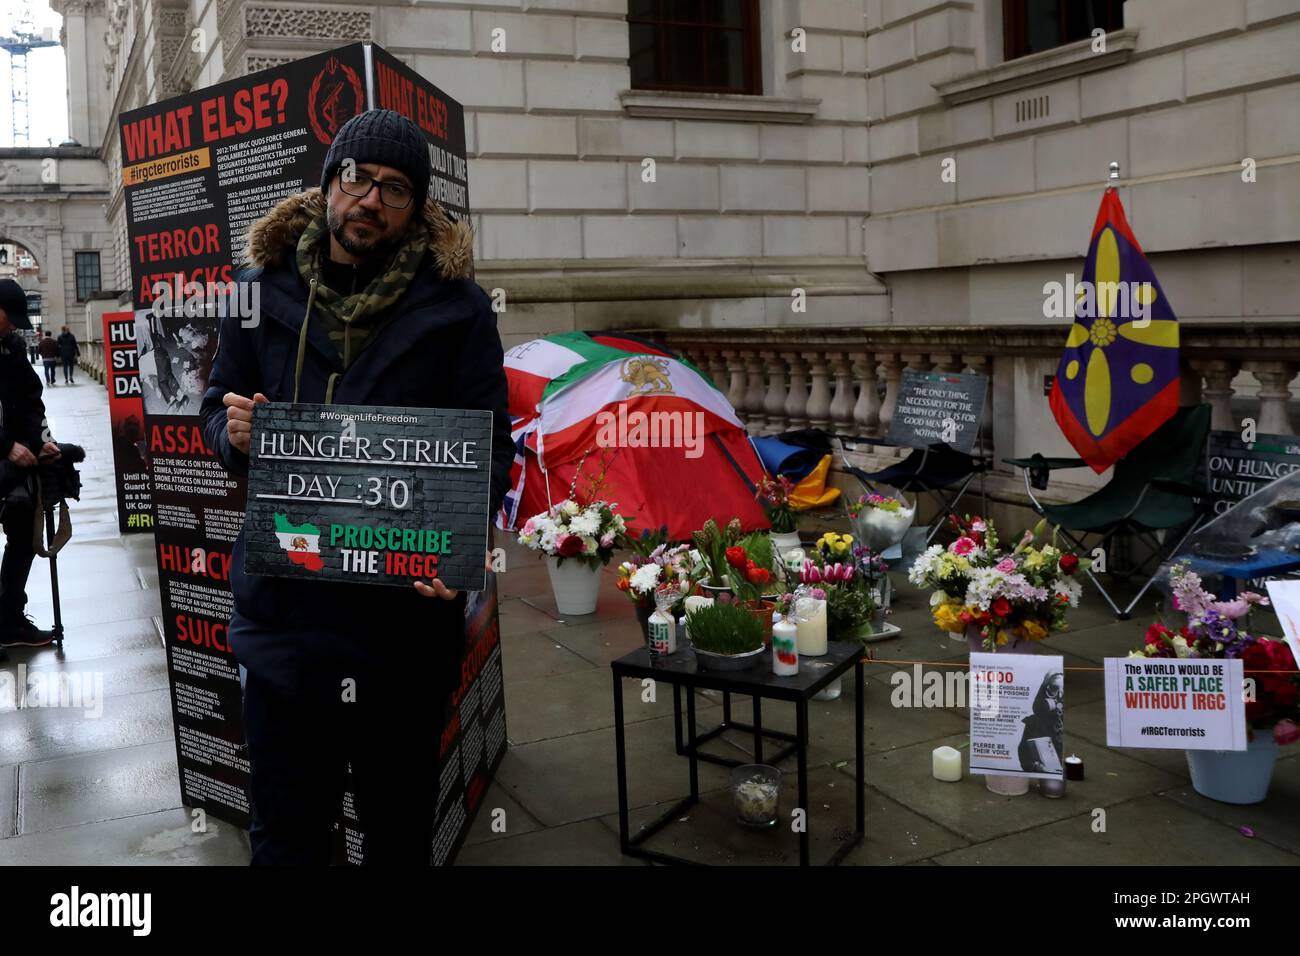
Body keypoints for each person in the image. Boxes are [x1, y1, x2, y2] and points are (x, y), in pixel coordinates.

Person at [200, 109, 512, 865]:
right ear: (331, 181)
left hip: (399, 636)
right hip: (284, 625)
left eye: (395, 189)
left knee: (398, 831)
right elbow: (215, 407)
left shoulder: (457, 306)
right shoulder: (256, 290)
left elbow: (490, 447)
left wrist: (459, 540)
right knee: (287, 833)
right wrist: (232, 434)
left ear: (416, 210)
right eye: (359, 178)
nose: (371, 199)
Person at [0, 280, 62, 660]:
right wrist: (6, 445)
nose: (13, 326)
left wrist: (41, 442)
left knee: (23, 536)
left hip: (14, 468)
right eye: (9, 318)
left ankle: (9, 621)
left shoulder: (13, 350)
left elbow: (31, 402)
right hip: (5, 454)